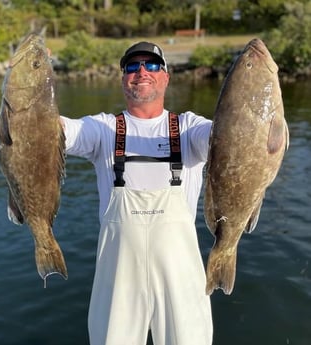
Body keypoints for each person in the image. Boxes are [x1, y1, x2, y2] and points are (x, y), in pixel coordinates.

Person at [61, 41, 213, 345]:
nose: (142, 71)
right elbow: (59, 133)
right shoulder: (103, 129)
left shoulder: (190, 128)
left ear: (166, 77)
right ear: (122, 79)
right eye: (132, 66)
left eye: (152, 65)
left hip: (181, 275)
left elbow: (230, 138)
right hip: (119, 278)